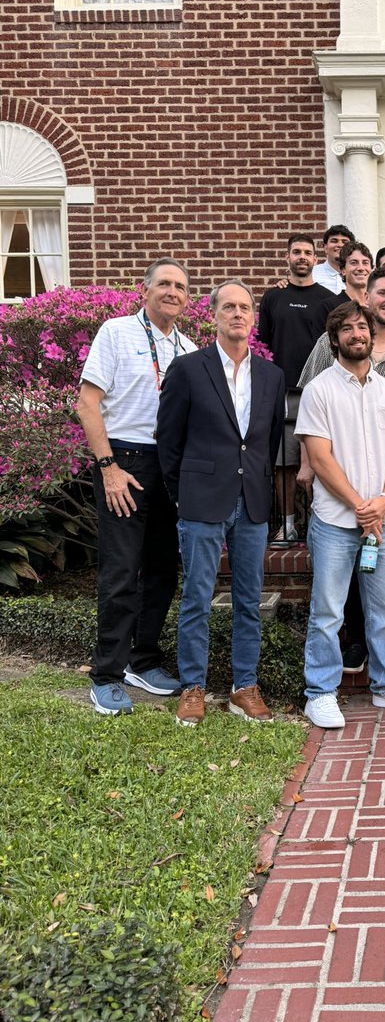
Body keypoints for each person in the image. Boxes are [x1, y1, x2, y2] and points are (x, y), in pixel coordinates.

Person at [156, 281, 285, 727]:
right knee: (196, 596)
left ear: (253, 318)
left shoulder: (271, 375)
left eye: (244, 308)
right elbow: (169, 440)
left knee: (249, 599)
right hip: (201, 500)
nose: (237, 314)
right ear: (212, 315)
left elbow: (267, 441)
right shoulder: (188, 368)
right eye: (228, 307)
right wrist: (181, 493)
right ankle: (193, 687)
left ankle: (243, 687)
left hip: (251, 501)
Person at [297, 303, 385, 728]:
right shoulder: (319, 390)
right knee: (328, 612)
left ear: (372, 336)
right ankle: (320, 692)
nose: (357, 333)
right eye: (347, 328)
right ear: (334, 339)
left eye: (363, 327)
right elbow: (319, 457)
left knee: (383, 610)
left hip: (382, 524)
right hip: (336, 522)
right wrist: (360, 505)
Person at [77, 258, 197, 716]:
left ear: (188, 299)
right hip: (124, 461)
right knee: (122, 572)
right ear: (144, 290)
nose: (172, 291)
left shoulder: (188, 349)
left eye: (180, 286)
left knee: (164, 570)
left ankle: (142, 659)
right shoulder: (117, 331)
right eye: (163, 283)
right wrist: (108, 467)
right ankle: (105, 674)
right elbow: (87, 404)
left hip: (170, 467)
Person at [257, 233, 334, 542]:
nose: (302, 256)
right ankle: (287, 524)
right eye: (296, 252)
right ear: (287, 257)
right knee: (284, 462)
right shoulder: (272, 297)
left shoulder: (328, 298)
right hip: (282, 389)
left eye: (307, 252)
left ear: (315, 259)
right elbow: (261, 345)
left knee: (322, 458)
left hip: (320, 389)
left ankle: (320, 524)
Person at [311, 223, 354, 294]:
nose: (340, 245)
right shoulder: (312, 274)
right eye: (334, 241)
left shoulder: (359, 275)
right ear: (325, 248)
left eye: (344, 242)